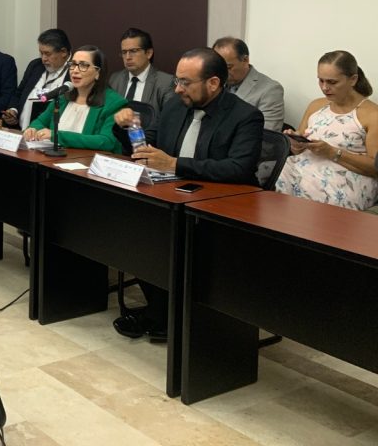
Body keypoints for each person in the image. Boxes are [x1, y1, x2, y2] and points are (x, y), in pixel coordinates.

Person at [111, 47, 263, 340]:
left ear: (213, 83)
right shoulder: (175, 106)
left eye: (185, 82)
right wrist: (126, 129)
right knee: (133, 232)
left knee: (171, 242)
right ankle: (162, 312)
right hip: (173, 196)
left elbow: (239, 168)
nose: (178, 88)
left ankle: (169, 317)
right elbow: (148, 147)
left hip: (222, 207)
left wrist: (174, 164)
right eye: (177, 81)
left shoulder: (245, 116)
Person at [275, 50, 378, 210]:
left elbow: (375, 167)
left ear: (353, 79)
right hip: (300, 170)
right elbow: (298, 149)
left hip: (345, 180)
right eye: (321, 80)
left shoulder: (372, 115)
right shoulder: (316, 105)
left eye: (332, 82)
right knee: (270, 184)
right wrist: (296, 144)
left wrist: (333, 152)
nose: (325, 87)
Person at [22, 45, 126, 152]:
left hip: (87, 160)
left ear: (98, 73)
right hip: (54, 158)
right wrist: (33, 129)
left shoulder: (114, 103)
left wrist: (57, 136)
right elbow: (39, 122)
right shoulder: (63, 97)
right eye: (73, 64)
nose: (75, 70)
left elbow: (107, 141)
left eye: (83, 65)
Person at [2, 28, 71, 129]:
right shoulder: (35, 65)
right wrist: (13, 110)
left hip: (50, 134)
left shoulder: (74, 72)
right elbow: (18, 93)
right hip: (21, 131)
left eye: (47, 54)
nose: (43, 59)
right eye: (41, 53)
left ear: (63, 52)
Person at [211, 37, 285, 131]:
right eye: (218, 67)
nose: (222, 72)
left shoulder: (270, 90)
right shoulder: (214, 84)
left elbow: (267, 134)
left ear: (245, 60)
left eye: (228, 67)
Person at [108, 28, 174, 116]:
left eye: (133, 51)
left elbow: (169, 119)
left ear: (149, 53)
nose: (127, 57)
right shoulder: (115, 79)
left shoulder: (165, 82)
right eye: (124, 52)